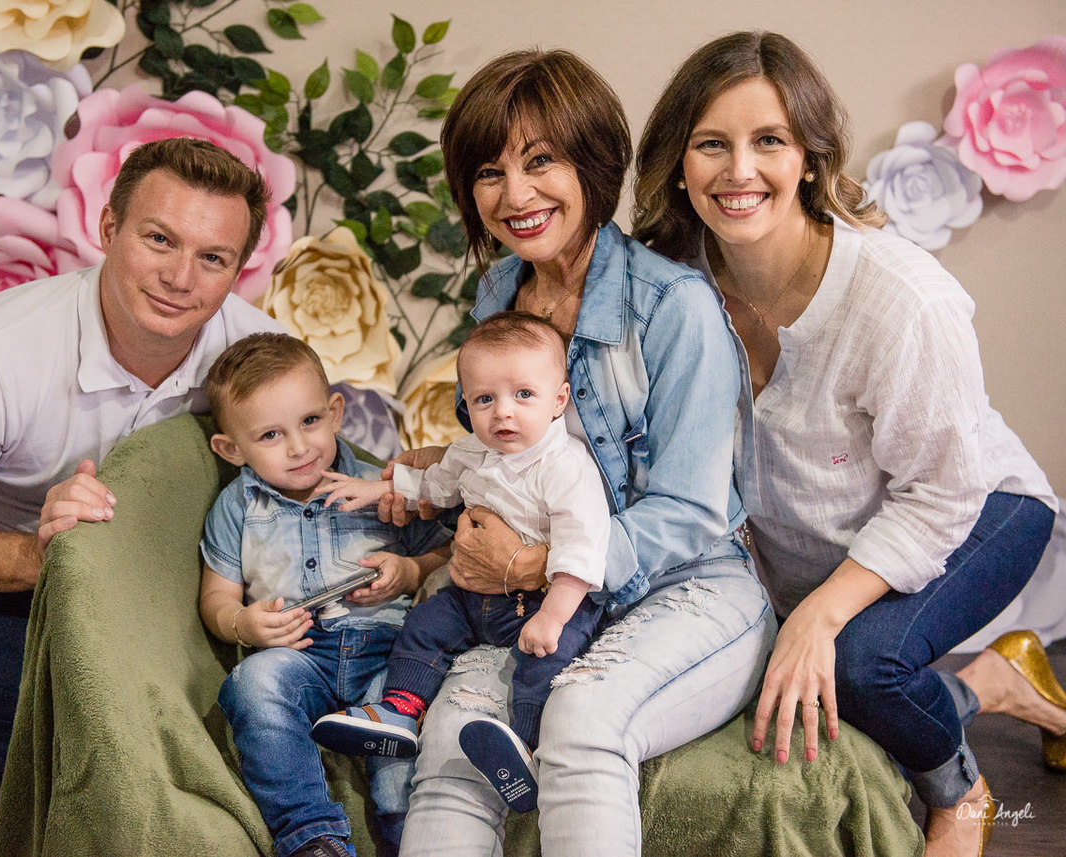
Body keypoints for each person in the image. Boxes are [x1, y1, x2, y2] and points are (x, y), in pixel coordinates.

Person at [632, 30, 1064, 857]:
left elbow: (940, 494)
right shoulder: (672, 285)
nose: (739, 170)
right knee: (784, 675)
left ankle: (961, 791)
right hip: (831, 538)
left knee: (862, 668)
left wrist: (821, 614)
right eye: (711, 144)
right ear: (677, 162)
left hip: (976, 507)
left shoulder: (902, 298)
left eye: (769, 140)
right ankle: (994, 681)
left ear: (809, 156)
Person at [378, 49, 777, 857]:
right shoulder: (499, 293)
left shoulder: (675, 306)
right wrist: (425, 478)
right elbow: (509, 454)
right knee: (451, 748)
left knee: (580, 721)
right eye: (489, 172)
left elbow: (690, 511)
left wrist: (536, 565)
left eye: (540, 161)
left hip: (687, 585)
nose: (515, 195)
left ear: (592, 164)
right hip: (535, 602)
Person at [0, 137, 284, 857]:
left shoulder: (262, 355)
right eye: (159, 239)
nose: (180, 278)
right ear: (108, 227)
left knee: (214, 708)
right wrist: (35, 557)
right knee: (35, 706)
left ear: (239, 270)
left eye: (213, 258)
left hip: (168, 578)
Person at [309, 311, 610, 814]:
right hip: (475, 598)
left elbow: (582, 551)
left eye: (524, 395)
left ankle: (526, 747)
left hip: (544, 603)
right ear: (466, 404)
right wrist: (378, 489)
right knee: (426, 624)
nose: (503, 413)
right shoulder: (471, 452)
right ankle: (400, 710)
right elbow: (435, 485)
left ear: (559, 400)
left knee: (546, 663)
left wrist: (553, 617)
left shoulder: (566, 467)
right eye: (485, 399)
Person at [198, 332, 452, 857]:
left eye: (310, 421)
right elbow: (216, 598)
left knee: (403, 743)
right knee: (252, 684)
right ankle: (312, 835)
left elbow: (446, 554)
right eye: (271, 434)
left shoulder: (382, 487)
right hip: (302, 655)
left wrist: (408, 571)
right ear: (231, 449)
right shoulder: (237, 507)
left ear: (335, 413)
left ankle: (413, 836)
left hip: (390, 654)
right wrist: (242, 624)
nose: (299, 446)